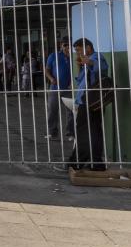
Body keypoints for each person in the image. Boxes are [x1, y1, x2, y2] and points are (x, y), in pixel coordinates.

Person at [69, 38, 108, 170]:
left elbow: (101, 67)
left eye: (79, 50)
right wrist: (81, 65)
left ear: (88, 48)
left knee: (87, 132)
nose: (78, 53)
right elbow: (81, 80)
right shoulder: (85, 60)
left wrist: (89, 62)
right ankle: (92, 162)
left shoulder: (96, 57)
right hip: (85, 101)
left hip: (91, 102)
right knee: (89, 132)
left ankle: (78, 163)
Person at [44, 38, 74, 140]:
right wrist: (51, 78)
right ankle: (52, 132)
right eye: (65, 45)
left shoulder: (73, 57)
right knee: (52, 110)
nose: (67, 47)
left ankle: (70, 132)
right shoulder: (53, 56)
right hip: (54, 88)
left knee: (71, 110)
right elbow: (47, 70)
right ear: (61, 46)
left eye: (69, 45)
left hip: (69, 88)